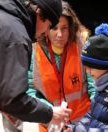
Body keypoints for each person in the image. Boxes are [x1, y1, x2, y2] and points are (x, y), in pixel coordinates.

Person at [0, 0, 71, 131]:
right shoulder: (14, 36)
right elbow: (11, 99)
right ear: (39, 12)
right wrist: (51, 113)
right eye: (49, 25)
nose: (46, 32)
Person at [24, 1, 95, 131]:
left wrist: (94, 116)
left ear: (71, 28)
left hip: (83, 121)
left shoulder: (82, 48)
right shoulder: (34, 51)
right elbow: (29, 90)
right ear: (46, 27)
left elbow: (94, 85)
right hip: (51, 122)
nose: (60, 35)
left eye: (64, 28)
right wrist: (51, 111)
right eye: (54, 28)